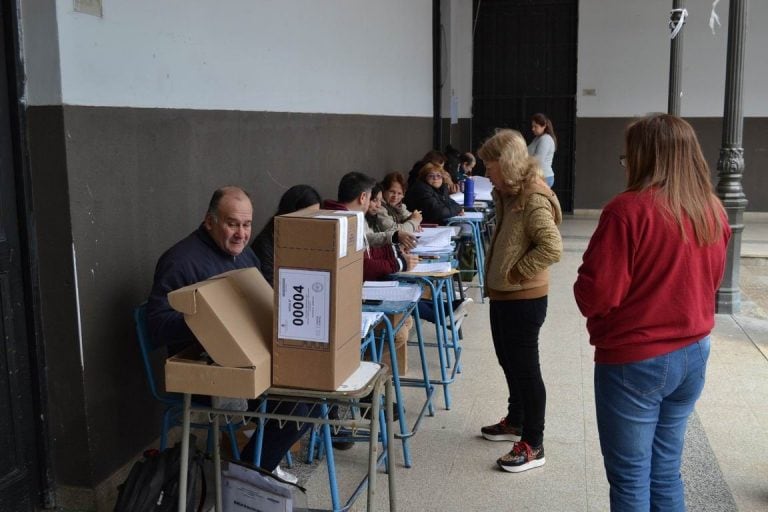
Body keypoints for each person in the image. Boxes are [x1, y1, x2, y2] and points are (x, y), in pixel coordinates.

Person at [573, 114, 730, 510]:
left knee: (629, 479)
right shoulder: (711, 208)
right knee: (665, 471)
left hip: (635, 360)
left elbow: (596, 295)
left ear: (645, 158)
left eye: (628, 157)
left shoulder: (627, 211)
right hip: (694, 352)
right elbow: (710, 282)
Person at [146, 186, 308, 478]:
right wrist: (207, 320)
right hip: (204, 371)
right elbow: (156, 326)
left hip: (249, 358)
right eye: (232, 223)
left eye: (247, 225)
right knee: (295, 405)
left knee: (312, 391)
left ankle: (255, 470)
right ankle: (246, 480)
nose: (241, 234)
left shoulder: (246, 257)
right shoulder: (180, 260)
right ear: (210, 222)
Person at [477, 129, 562, 473]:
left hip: (523, 298)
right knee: (508, 360)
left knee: (526, 369)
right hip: (505, 295)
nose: (486, 173)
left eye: (489, 166)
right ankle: (516, 419)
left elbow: (551, 246)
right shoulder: (509, 193)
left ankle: (533, 443)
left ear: (507, 163)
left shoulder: (533, 198)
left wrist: (516, 273)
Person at [323, 172, 418, 280]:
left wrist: (395, 251)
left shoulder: (350, 218)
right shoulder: (342, 224)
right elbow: (360, 266)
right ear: (363, 197)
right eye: (370, 199)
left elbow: (367, 251)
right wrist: (399, 263)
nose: (371, 204)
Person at [251, 184, 322, 285]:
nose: (311, 223)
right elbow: (269, 285)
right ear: (289, 213)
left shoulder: (308, 240)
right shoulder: (266, 244)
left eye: (315, 217)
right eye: (306, 216)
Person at [364, 183, 418, 250]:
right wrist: (414, 222)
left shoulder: (397, 207)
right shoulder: (379, 212)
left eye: (399, 193)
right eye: (374, 200)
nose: (378, 205)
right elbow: (367, 239)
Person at [527, 113, 557, 187]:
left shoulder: (545, 139)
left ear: (544, 126)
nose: (532, 129)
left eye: (535, 126)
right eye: (532, 126)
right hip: (538, 176)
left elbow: (538, 160)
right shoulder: (538, 138)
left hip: (544, 177)